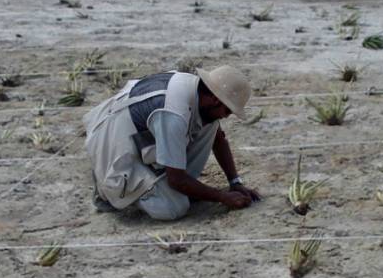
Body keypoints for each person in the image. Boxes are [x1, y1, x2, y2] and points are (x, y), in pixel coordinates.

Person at [84, 65, 261, 220]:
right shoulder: (173, 113)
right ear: (215, 99)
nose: (226, 116)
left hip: (135, 136)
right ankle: (110, 193)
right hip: (112, 151)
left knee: (211, 126)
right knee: (174, 207)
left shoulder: (196, 91)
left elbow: (219, 139)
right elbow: (176, 180)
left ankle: (160, 182)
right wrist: (222, 197)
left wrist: (235, 182)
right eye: (227, 110)